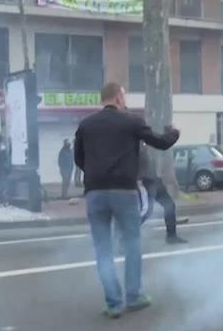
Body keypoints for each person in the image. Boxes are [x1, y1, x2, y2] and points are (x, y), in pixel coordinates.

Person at [76, 82, 180, 318]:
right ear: (118, 98)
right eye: (123, 95)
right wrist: (175, 131)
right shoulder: (131, 121)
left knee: (103, 249)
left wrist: (96, 174)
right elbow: (161, 143)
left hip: (95, 193)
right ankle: (133, 296)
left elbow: (79, 159)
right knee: (132, 243)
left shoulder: (86, 125)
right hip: (124, 190)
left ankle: (113, 303)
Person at [138, 142, 187, 244]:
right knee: (147, 211)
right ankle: (125, 236)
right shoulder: (134, 146)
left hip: (154, 180)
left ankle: (171, 236)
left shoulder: (146, 145)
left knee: (169, 205)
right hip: (145, 181)